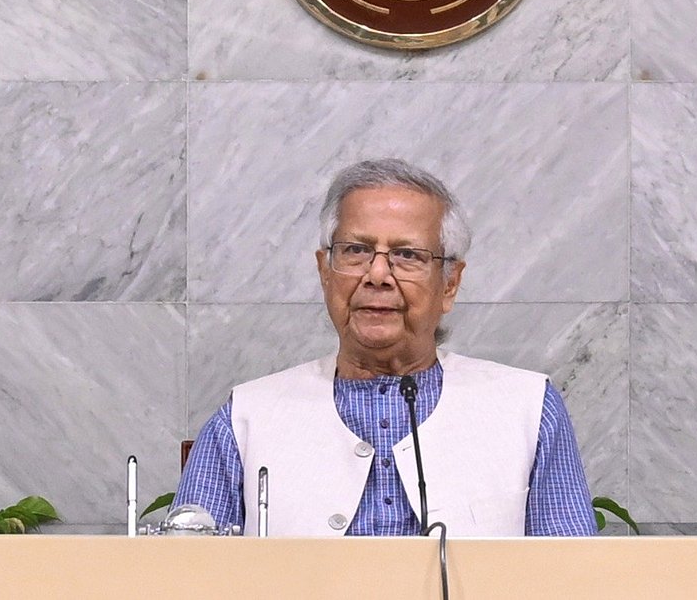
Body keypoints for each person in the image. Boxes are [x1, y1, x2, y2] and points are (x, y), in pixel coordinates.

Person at [175, 158, 596, 536]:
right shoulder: (247, 417)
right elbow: (183, 578)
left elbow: (576, 581)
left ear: (449, 283)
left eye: (407, 255)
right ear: (325, 272)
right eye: (356, 251)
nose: (377, 274)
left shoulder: (528, 408)